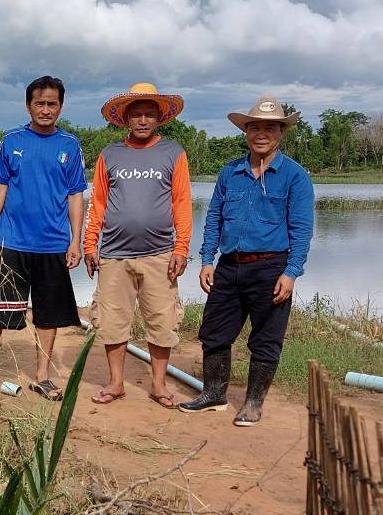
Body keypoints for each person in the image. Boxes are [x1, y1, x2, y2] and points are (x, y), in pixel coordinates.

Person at [180, 96, 315, 425]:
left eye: (270, 128)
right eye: (254, 127)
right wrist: (207, 259)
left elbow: (302, 229)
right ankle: (214, 394)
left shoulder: (295, 176)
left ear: (281, 132)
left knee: (266, 338)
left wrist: (291, 272)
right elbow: (214, 218)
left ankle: (253, 403)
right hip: (229, 265)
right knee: (214, 331)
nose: (261, 134)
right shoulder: (230, 172)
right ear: (246, 131)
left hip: (271, 267)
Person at [0, 76, 86, 400]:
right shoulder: (12, 141)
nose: (46, 110)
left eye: (52, 104)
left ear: (60, 106)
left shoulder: (69, 145)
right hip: (12, 241)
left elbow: (76, 195)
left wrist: (75, 240)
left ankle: (42, 377)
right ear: (28, 106)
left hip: (52, 244)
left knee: (48, 314)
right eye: (40, 103)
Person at [83, 82, 192, 406]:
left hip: (160, 255)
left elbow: (182, 203)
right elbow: (97, 203)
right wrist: (90, 245)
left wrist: (181, 248)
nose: (143, 120)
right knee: (112, 321)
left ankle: (158, 385)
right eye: (136, 115)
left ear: (159, 118)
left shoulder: (173, 153)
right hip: (114, 255)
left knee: (162, 321)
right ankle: (116, 383)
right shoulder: (110, 155)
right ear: (126, 119)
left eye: (149, 114)